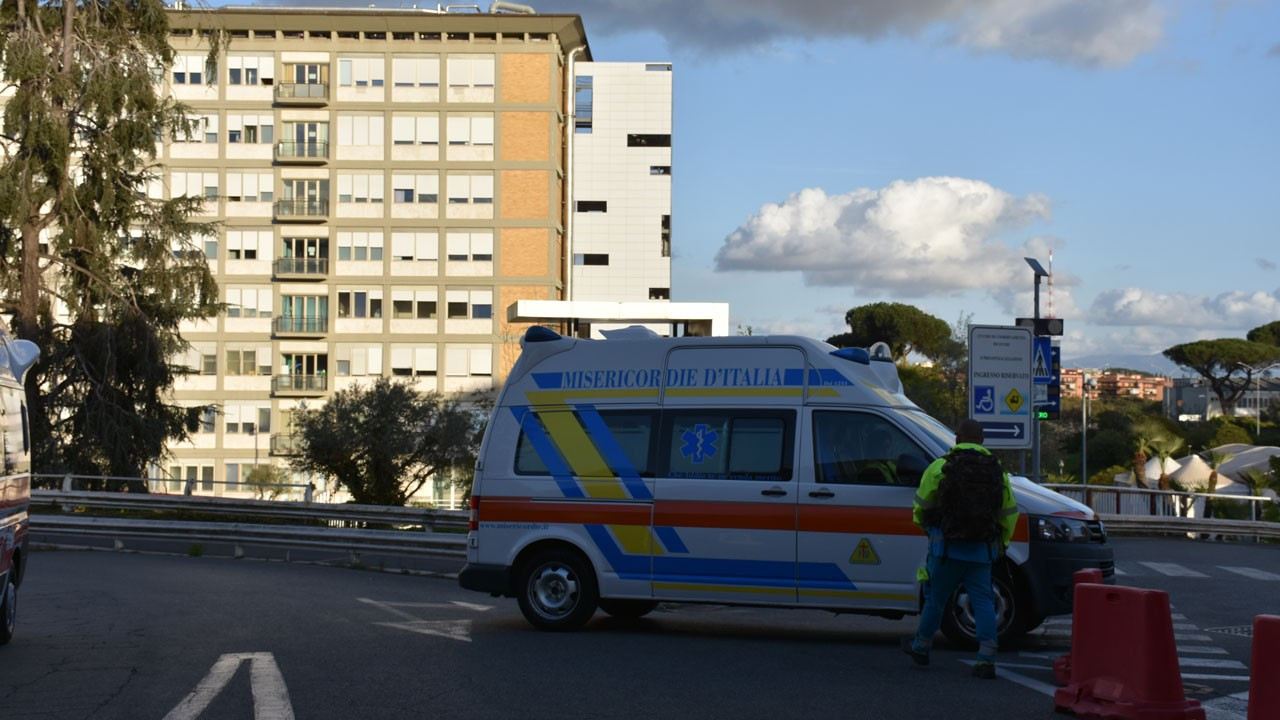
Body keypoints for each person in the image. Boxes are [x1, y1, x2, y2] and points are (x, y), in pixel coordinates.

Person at [902, 419, 1017, 679]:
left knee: (936, 599)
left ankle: (921, 647)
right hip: (982, 550)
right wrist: (1001, 543)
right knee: (983, 600)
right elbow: (1009, 513)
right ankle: (986, 658)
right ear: (982, 440)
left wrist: (929, 530)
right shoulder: (997, 471)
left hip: (946, 549)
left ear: (957, 439)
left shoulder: (940, 467)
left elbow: (921, 506)